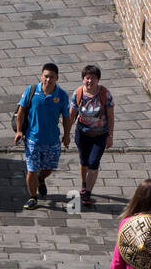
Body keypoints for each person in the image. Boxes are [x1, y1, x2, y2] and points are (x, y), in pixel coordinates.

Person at [13, 62, 71, 210]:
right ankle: (33, 197)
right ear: (41, 76)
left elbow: (66, 117)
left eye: (51, 77)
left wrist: (67, 135)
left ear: (57, 78)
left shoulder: (62, 96)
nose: (48, 79)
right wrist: (19, 131)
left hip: (52, 140)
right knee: (32, 168)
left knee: (49, 167)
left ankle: (41, 179)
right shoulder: (32, 91)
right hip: (32, 138)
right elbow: (21, 111)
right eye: (46, 76)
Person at [72, 64, 114, 208]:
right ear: (83, 79)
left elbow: (110, 115)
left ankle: (87, 193)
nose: (90, 81)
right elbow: (72, 113)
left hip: (100, 134)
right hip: (82, 133)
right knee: (83, 161)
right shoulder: (78, 93)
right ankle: (84, 184)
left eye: (93, 78)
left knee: (93, 161)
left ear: (98, 80)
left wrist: (110, 135)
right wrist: (66, 133)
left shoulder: (104, 93)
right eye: (87, 78)